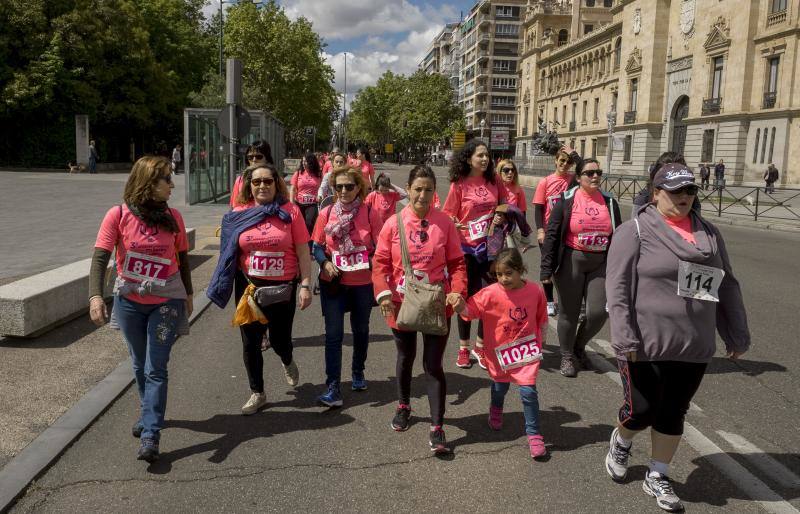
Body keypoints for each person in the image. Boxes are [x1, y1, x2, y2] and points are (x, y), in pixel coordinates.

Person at [604, 163, 750, 512]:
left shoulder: (709, 234)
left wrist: (736, 332)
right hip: (645, 342)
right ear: (656, 193)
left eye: (690, 191)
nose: (684, 197)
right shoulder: (635, 230)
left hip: (692, 343)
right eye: (675, 191)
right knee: (642, 410)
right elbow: (618, 288)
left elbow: (725, 283)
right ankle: (622, 440)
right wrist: (623, 338)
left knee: (673, 411)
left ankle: (658, 474)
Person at [89, 156, 193, 462]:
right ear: (148, 182)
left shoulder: (173, 216)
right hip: (130, 303)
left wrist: (188, 293)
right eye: (166, 180)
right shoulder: (118, 215)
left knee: (155, 367)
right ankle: (149, 414)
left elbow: (183, 257)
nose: (172, 185)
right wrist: (96, 297)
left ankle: (150, 435)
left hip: (166, 302)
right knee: (137, 363)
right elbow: (100, 257)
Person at [372, 165, 467, 453]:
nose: (422, 195)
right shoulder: (393, 224)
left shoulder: (445, 223)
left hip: (437, 303)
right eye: (417, 189)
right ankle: (404, 405)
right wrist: (383, 294)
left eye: (428, 189)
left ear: (434, 192)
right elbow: (380, 264)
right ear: (409, 189)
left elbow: (457, 264)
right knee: (406, 356)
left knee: (433, 364)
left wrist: (457, 292)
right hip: (400, 303)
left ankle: (437, 427)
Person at [207, 163, 313, 416]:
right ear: (249, 186)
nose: (262, 186)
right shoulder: (238, 213)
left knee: (279, 340)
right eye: (257, 182)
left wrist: (306, 284)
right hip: (249, 287)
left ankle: (287, 359)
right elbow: (228, 253)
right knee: (250, 342)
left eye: (268, 181)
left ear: (277, 184)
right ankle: (258, 392)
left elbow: (302, 251)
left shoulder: (291, 212)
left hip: (283, 287)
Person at [451, 248, 549, 459]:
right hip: (499, 353)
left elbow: (542, 318)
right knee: (499, 388)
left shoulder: (534, 291)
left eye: (508, 273)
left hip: (525, 351)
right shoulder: (490, 293)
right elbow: (470, 311)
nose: (503, 279)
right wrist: (460, 306)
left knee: (528, 393)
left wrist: (543, 341)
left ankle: (534, 435)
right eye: (498, 274)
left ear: (520, 270)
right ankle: (496, 409)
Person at [540, 158, 621, 378]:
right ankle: (567, 355)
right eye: (589, 173)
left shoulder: (610, 202)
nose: (595, 176)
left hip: (600, 263)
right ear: (578, 177)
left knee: (597, 313)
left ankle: (578, 345)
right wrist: (546, 270)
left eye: (598, 173)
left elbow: (619, 235)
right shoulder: (566, 200)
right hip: (571, 261)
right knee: (569, 313)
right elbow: (552, 235)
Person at [311, 167, 383, 406]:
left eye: (349, 186)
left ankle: (358, 371)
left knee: (361, 331)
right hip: (335, 282)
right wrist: (324, 263)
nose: (343, 191)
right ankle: (333, 386)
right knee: (333, 336)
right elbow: (317, 245)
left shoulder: (370, 212)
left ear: (358, 188)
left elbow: (382, 247)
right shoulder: (326, 212)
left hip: (362, 283)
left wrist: (372, 261)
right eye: (338, 187)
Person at [443, 140, 507, 370]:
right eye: (480, 155)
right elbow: (447, 215)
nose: (485, 159)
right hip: (466, 249)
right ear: (468, 158)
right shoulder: (459, 185)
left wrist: (500, 216)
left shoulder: (494, 181)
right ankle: (463, 348)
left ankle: (481, 346)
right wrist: (455, 223)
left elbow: (504, 205)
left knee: (489, 296)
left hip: (490, 247)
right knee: (466, 299)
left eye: (487, 155)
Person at [532, 146, 579, 316]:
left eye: (569, 162)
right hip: (549, 232)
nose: (565, 165)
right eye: (562, 161)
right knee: (548, 267)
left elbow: (584, 169)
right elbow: (538, 209)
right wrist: (540, 231)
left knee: (566, 268)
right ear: (556, 161)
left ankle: (564, 300)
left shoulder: (573, 180)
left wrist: (574, 154)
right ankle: (549, 301)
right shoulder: (545, 182)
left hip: (567, 231)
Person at [632, 152, 700, 216]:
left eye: (691, 189)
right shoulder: (643, 199)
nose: (684, 195)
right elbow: (635, 225)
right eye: (675, 190)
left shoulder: (693, 200)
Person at [496, 159, 533, 252]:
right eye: (506, 170)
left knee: (511, 257)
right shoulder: (493, 188)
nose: (510, 173)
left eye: (513, 170)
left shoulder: (518, 189)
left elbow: (522, 213)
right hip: (495, 229)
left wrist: (524, 237)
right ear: (499, 171)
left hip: (512, 230)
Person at [230, 140, 274, 208]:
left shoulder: (274, 178)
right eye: (250, 157)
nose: (254, 160)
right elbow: (234, 205)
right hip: (244, 216)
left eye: (258, 156)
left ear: (267, 158)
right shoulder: (240, 180)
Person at [289, 152, 323, 237]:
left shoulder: (318, 174)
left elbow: (323, 188)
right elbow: (292, 189)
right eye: (303, 161)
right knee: (298, 225)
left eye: (306, 161)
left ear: (311, 162)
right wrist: (292, 204)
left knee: (309, 223)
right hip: (299, 203)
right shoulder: (298, 173)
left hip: (312, 204)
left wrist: (320, 196)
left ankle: (309, 244)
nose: (303, 163)